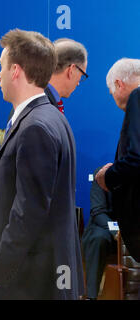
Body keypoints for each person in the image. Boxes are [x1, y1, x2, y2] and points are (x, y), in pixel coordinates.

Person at [0, 29, 83, 300]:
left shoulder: (35, 127)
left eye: (1, 67)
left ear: (15, 70)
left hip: (30, 283)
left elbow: (28, 215)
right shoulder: (50, 117)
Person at [95, 58, 140, 263]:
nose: (112, 97)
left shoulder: (137, 97)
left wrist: (108, 176)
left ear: (119, 84)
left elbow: (136, 158)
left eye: (111, 91)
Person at [7, 37, 88, 119]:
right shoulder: (39, 109)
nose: (78, 83)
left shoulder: (32, 100)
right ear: (72, 70)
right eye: (81, 75)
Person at [82, 167, 117, 300]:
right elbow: (98, 211)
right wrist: (116, 231)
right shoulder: (102, 174)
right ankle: (92, 295)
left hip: (129, 226)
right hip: (104, 224)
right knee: (98, 238)